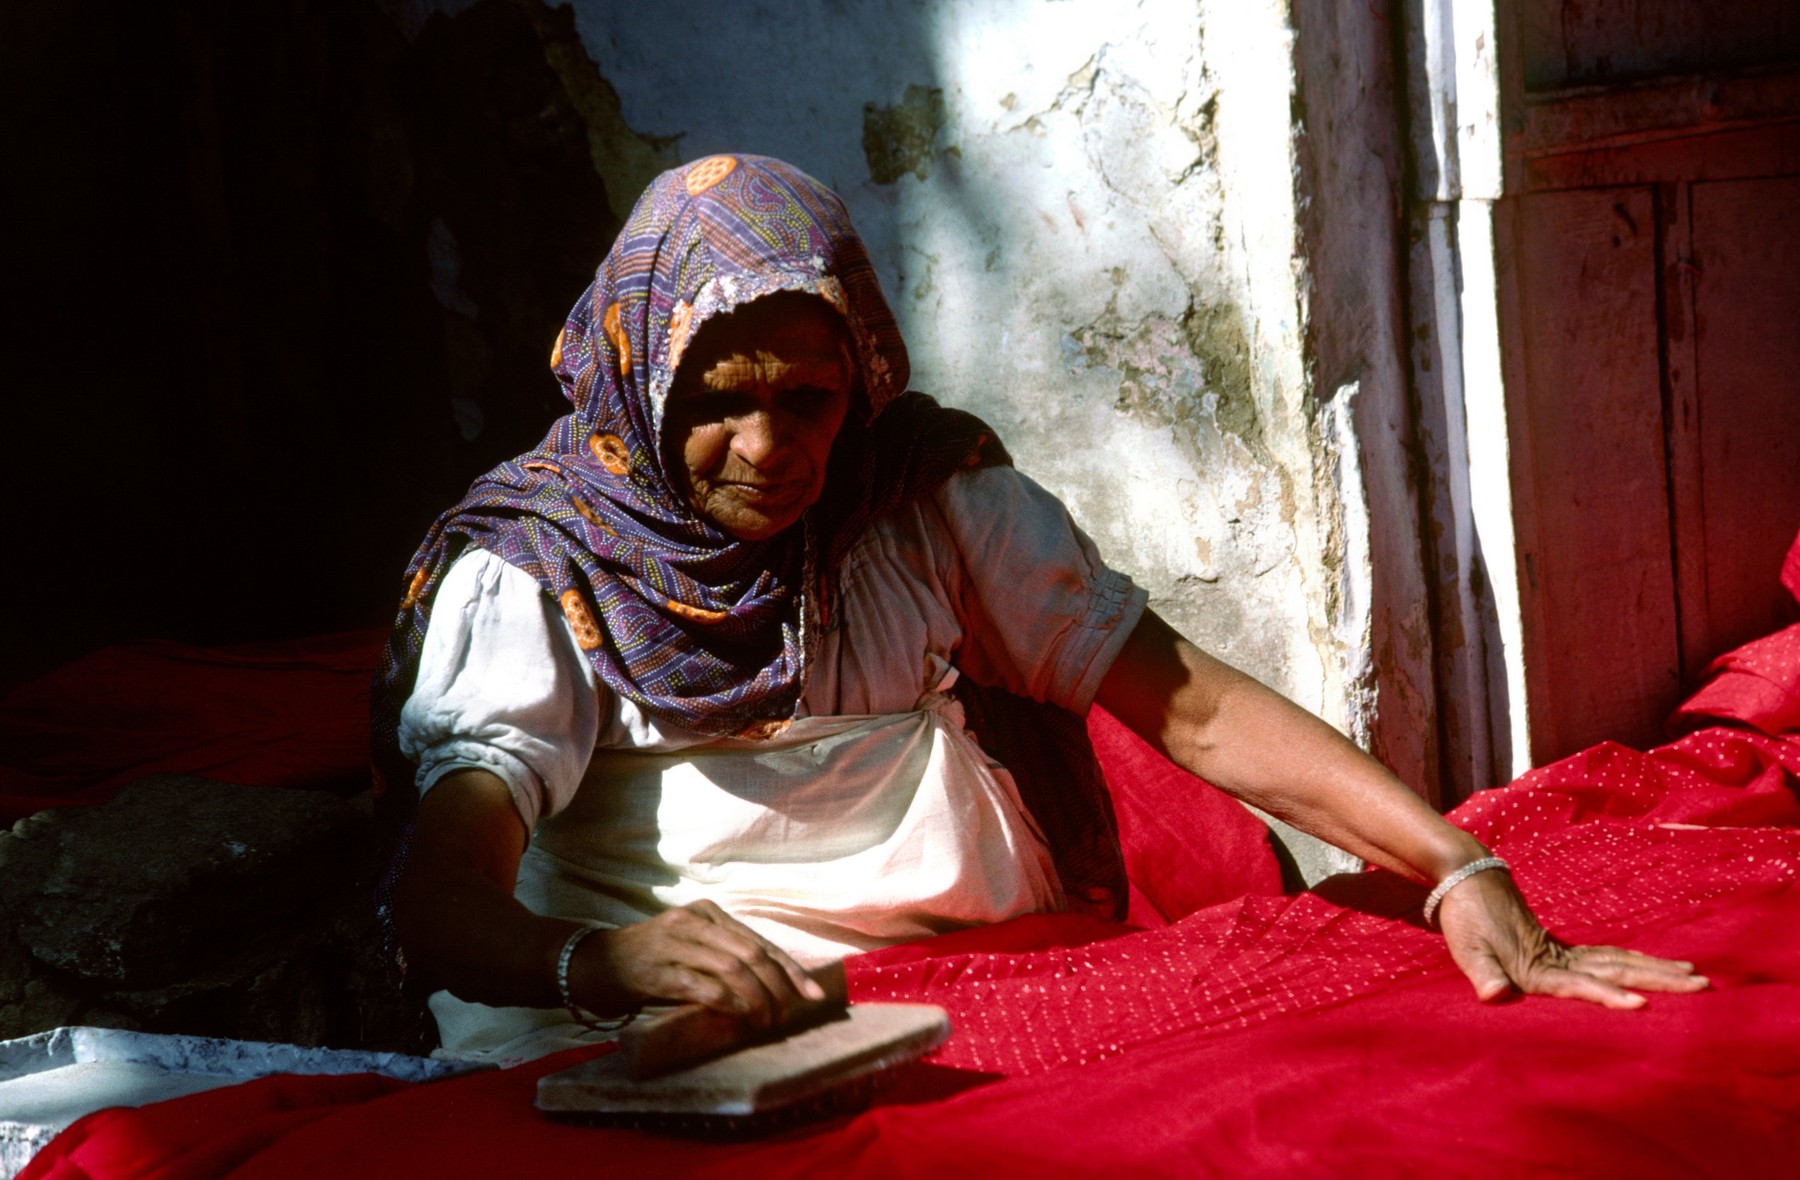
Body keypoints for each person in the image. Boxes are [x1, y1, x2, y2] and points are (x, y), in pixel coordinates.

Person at [374, 155, 1703, 1061]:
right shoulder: (538, 571)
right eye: (717, 400)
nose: (768, 444)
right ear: (636, 385)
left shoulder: (920, 503)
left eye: (807, 399)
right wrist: (599, 968)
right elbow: (441, 899)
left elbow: (1192, 707)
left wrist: (1461, 868)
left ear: (862, 381)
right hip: (641, 1035)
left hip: (976, 989)